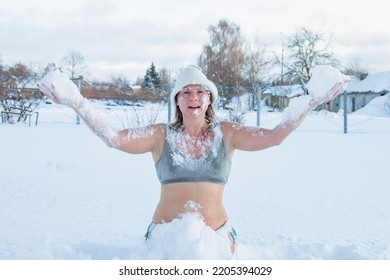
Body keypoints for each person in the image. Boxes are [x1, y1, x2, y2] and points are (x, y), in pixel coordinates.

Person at [38, 65, 349, 254]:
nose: (194, 97)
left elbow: (274, 136)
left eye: (201, 91)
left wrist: (312, 101)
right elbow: (114, 139)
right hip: (165, 243)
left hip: (215, 242)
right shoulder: (160, 136)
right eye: (185, 92)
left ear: (210, 98)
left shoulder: (227, 133)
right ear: (177, 100)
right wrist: (75, 101)